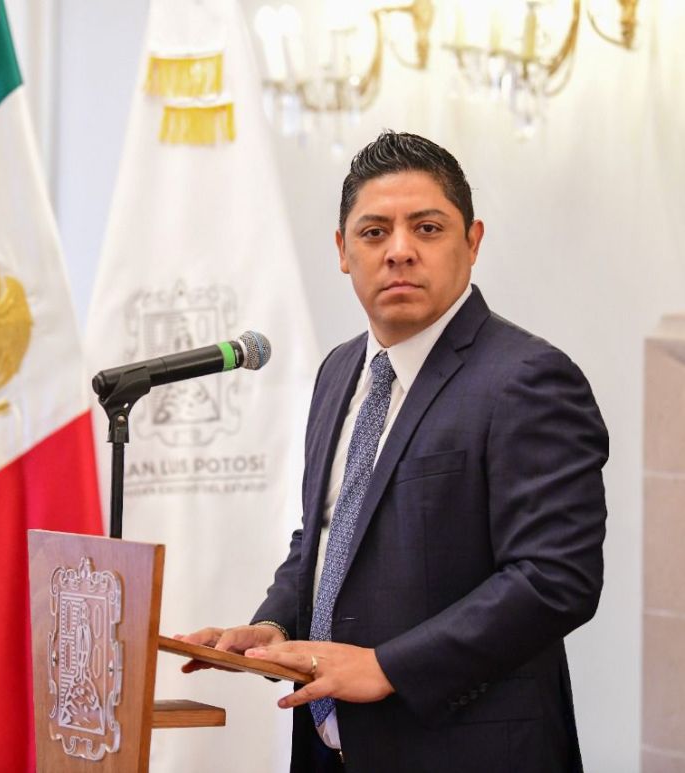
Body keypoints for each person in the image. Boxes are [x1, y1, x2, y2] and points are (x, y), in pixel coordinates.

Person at [178, 131, 608, 772]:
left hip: (468, 753)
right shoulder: (338, 371)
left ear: (473, 242)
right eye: (375, 232)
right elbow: (326, 537)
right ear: (342, 251)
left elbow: (555, 579)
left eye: (427, 228)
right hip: (330, 750)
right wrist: (274, 628)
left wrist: (387, 667)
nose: (399, 250)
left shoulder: (528, 378)